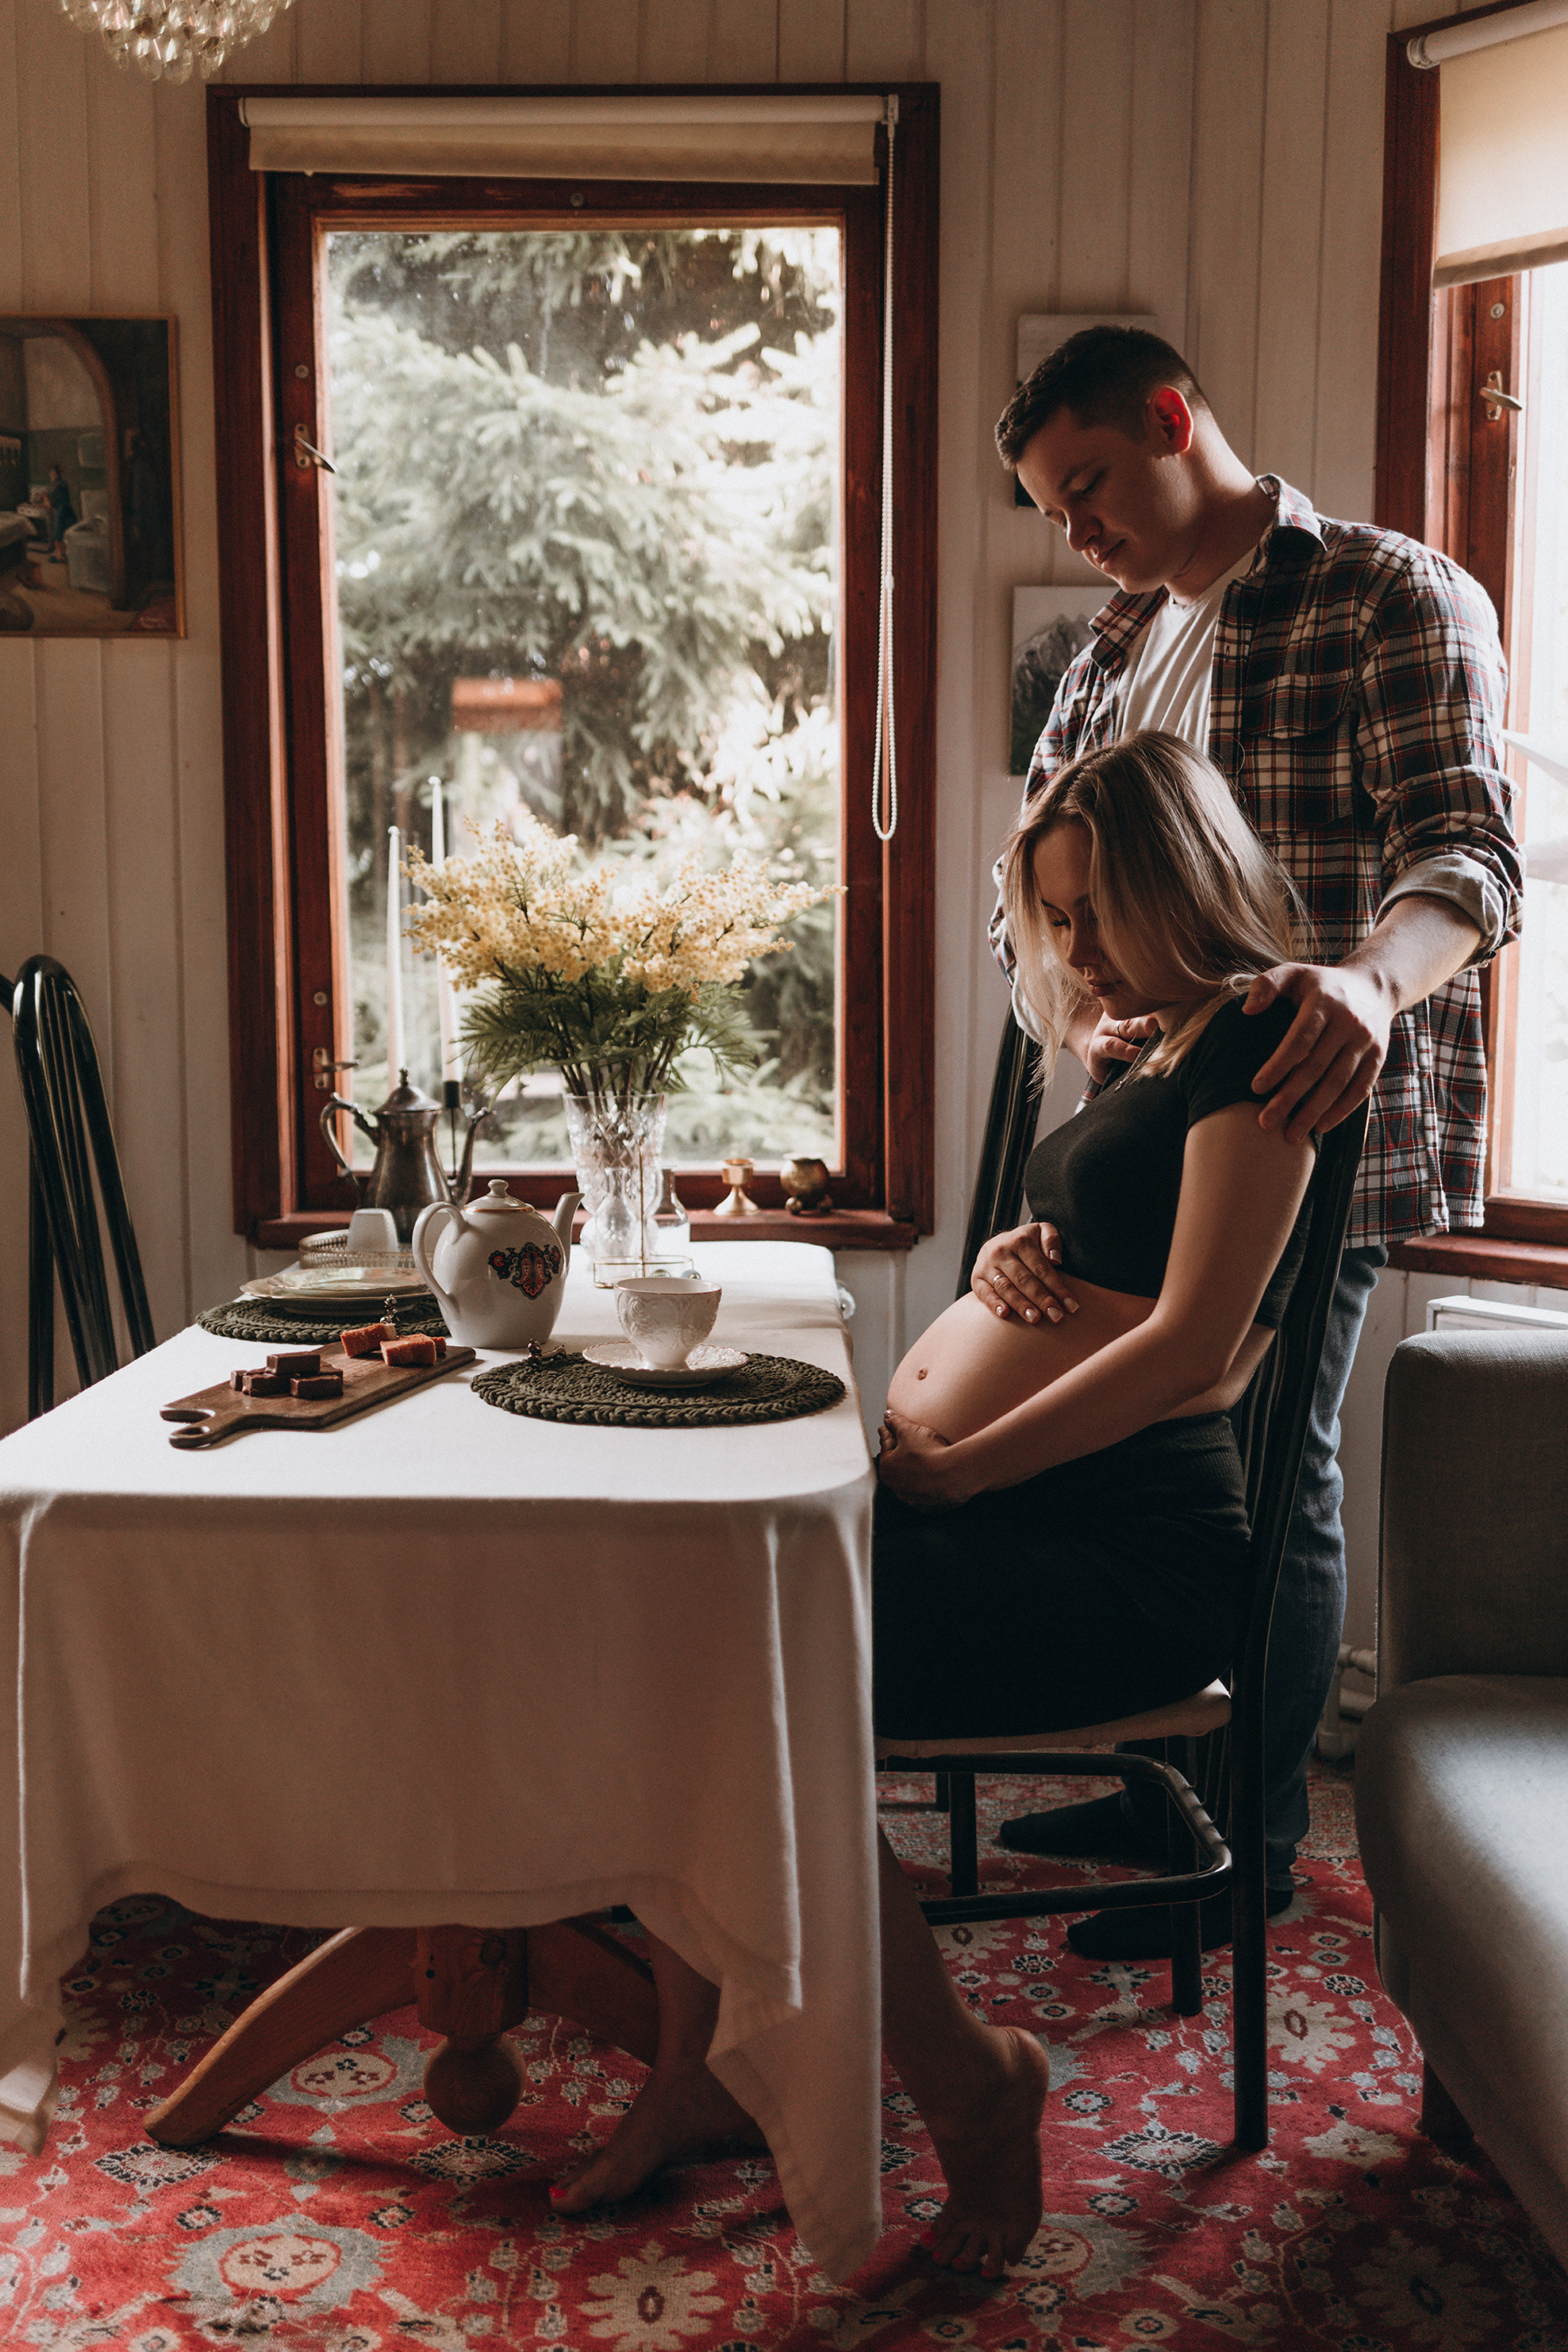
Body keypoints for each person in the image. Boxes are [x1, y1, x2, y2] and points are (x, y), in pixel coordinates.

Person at [551, 732, 1322, 2276]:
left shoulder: (1260, 1040)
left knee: (743, 1698)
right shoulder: (1155, 1042)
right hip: (1014, 1517)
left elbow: (1194, 1337)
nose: (1079, 949)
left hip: (1123, 1555)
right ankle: (702, 2068)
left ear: (1185, 878)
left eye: (1099, 909)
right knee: (699, 1613)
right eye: (1061, 918)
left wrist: (960, 1466)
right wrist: (1000, 1259)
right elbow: (1102, 1258)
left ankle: (976, 2091)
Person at [985, 326, 1520, 1958]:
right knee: (1156, 1468)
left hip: (1305, 1110)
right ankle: (1163, 1788)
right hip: (1143, 1130)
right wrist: (1085, 1022)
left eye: (1088, 484)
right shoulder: (1105, 649)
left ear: (1174, 417)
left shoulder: (1387, 595)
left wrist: (1366, 989)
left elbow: (1469, 854)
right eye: (1052, 509)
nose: (1079, 531)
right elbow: (1047, 898)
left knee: (1271, 1481)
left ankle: (1250, 1845)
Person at [44, 464, 75, 563]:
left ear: (58, 474)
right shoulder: (58, 484)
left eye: (53, 474)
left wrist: (44, 496)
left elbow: (50, 505)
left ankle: (61, 557)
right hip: (63, 512)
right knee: (62, 535)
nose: (51, 475)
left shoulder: (58, 486)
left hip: (61, 513)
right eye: (51, 473)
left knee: (58, 535)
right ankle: (61, 555)